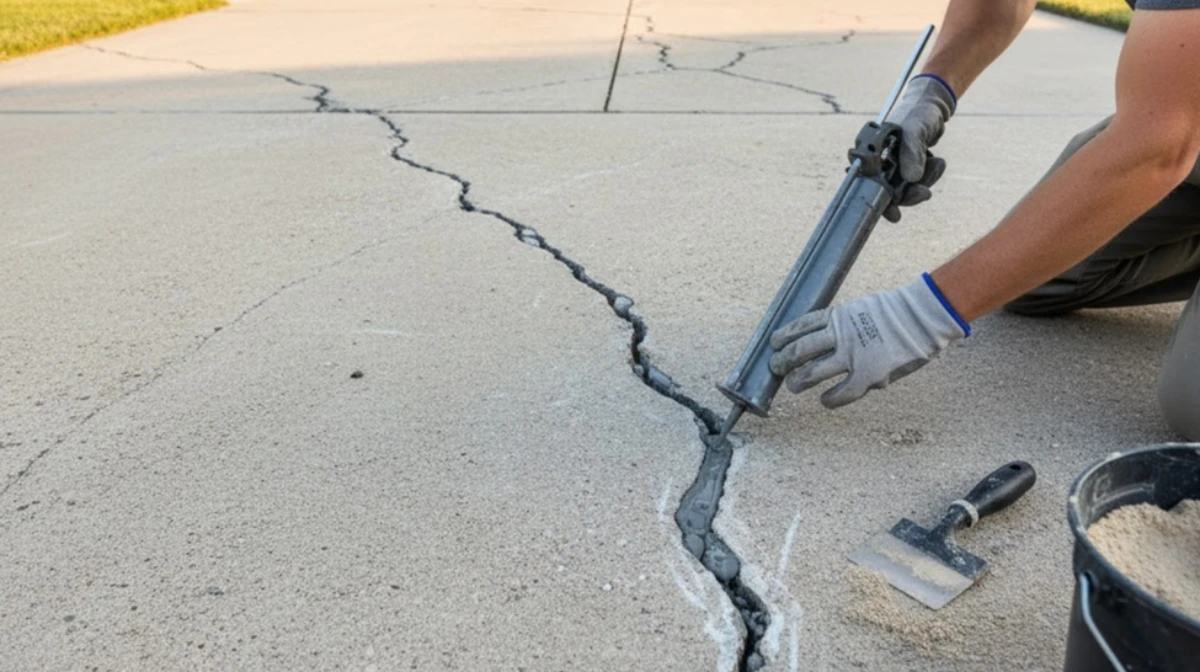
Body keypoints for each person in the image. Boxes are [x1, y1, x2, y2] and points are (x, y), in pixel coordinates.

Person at [767, 0, 1200, 439]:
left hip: (1175, 130)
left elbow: (1158, 145)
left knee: (1193, 407)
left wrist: (917, 316)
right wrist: (931, 92)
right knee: (1038, 275)